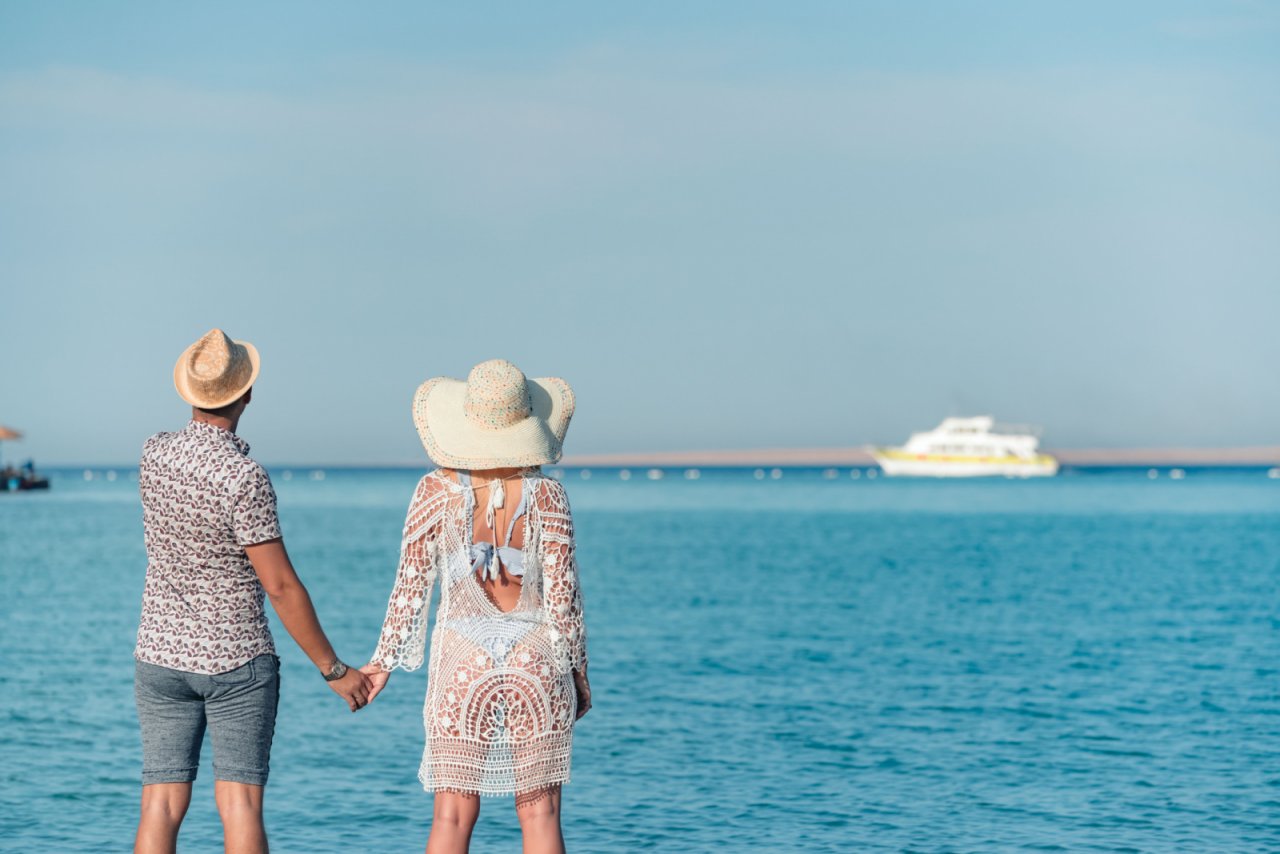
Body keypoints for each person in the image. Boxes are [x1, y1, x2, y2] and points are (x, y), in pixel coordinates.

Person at [132, 328, 372, 854]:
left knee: (159, 806)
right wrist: (334, 669)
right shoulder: (244, 478)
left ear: (190, 393)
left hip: (159, 657)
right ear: (246, 394)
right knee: (238, 805)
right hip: (235, 660)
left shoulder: (153, 453)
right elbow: (280, 585)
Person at [362, 359, 591, 854]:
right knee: (541, 814)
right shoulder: (549, 495)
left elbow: (410, 587)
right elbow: (563, 598)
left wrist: (382, 663)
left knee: (452, 815)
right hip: (537, 654)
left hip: (461, 657)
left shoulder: (435, 491)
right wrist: (578, 671)